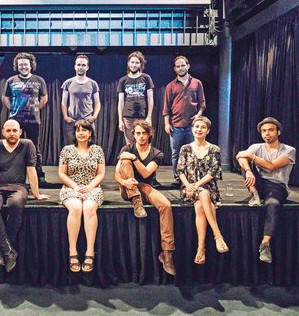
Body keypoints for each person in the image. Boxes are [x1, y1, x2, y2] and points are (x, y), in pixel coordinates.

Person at [0, 119, 49, 272]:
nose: (12, 133)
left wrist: (36, 194)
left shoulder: (27, 145)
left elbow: (31, 171)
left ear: (20, 132)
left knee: (15, 204)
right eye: (8, 130)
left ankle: (3, 252)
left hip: (18, 187)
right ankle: (8, 252)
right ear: (3, 132)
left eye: (15, 130)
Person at [114, 120, 176, 275]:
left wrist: (134, 159)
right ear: (133, 135)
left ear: (149, 134)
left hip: (145, 187)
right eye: (138, 133)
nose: (141, 136)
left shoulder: (157, 153)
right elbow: (116, 174)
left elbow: (146, 173)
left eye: (144, 133)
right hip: (127, 189)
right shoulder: (127, 149)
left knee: (166, 206)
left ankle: (167, 252)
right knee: (125, 159)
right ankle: (136, 200)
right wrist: (125, 182)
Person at [236, 117, 296, 264]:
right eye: (264, 131)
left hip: (277, 186)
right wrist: (248, 170)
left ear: (278, 132)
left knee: (273, 204)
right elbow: (240, 156)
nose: (267, 134)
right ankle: (254, 194)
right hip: (259, 183)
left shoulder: (289, 150)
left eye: (270, 130)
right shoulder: (257, 147)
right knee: (244, 164)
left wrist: (252, 157)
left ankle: (265, 244)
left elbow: (271, 166)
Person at [177, 116, 229, 265]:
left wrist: (197, 185)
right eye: (197, 126)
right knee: (203, 195)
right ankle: (217, 235)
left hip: (208, 187)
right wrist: (189, 185)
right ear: (193, 129)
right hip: (188, 188)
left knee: (200, 205)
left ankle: (201, 249)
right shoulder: (185, 148)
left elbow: (213, 173)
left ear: (208, 131)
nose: (199, 129)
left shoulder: (214, 149)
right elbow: (180, 171)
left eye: (203, 127)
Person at [58, 120, 105, 273]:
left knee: (89, 208)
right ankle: (72, 251)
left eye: (84, 130)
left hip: (92, 187)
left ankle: (90, 251)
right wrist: (75, 187)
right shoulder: (67, 150)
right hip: (71, 187)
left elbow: (101, 174)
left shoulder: (97, 150)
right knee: (77, 208)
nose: (81, 133)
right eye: (78, 130)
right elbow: (62, 174)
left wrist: (90, 186)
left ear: (90, 133)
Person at [2, 52, 51, 188]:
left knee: (35, 149)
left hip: (33, 120)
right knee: (13, 147)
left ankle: (39, 176)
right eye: (20, 64)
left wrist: (35, 109)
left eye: (26, 64)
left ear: (31, 65)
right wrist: (13, 109)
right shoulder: (11, 81)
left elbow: (44, 98)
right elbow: (5, 97)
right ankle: (13, 176)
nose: (23, 66)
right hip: (15, 121)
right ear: (16, 66)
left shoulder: (39, 80)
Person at [163, 55, 206, 185]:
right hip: (175, 125)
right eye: (178, 66)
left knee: (193, 152)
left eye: (183, 65)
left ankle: (192, 178)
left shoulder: (197, 83)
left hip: (193, 126)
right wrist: (166, 124)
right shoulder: (170, 86)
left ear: (188, 66)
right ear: (175, 69)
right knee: (176, 153)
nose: (181, 68)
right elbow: (166, 107)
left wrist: (199, 115)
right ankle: (178, 179)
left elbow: (202, 103)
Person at [61, 55, 101, 144]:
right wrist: (65, 117)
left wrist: (94, 116)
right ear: (75, 66)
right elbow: (63, 102)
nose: (80, 67)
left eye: (83, 65)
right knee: (72, 147)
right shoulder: (68, 83)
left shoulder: (93, 83)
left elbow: (97, 102)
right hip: (72, 122)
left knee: (90, 147)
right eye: (78, 65)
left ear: (87, 67)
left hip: (87, 121)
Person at [117, 51, 155, 146]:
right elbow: (120, 102)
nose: (134, 65)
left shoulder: (146, 78)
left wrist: (149, 117)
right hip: (128, 117)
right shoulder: (123, 80)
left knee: (144, 142)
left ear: (140, 64)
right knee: (130, 144)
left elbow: (150, 99)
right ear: (128, 63)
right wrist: (120, 120)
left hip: (143, 116)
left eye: (137, 63)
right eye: (132, 62)